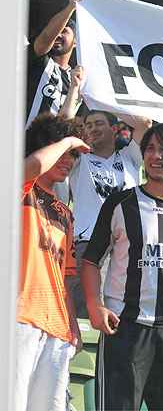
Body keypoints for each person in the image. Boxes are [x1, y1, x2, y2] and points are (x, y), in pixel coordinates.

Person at [80, 123, 163, 410]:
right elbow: (91, 260)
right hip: (126, 332)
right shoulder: (120, 205)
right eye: (150, 149)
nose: (156, 156)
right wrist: (95, 305)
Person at [17, 113, 89, 411]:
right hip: (19, 317)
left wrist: (72, 324)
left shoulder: (65, 212)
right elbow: (32, 166)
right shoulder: (20, 188)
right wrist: (69, 140)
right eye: (61, 150)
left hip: (57, 327)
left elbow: (65, 277)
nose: (68, 158)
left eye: (73, 155)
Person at [65, 109, 151, 317]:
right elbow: (63, 132)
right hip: (87, 244)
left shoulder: (130, 156)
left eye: (99, 123)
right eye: (89, 125)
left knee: (121, 310)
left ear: (114, 129)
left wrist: (110, 104)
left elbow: (144, 123)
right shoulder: (78, 159)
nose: (93, 128)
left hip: (127, 244)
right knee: (84, 313)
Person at [27, 0, 84, 127]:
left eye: (64, 31)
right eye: (56, 30)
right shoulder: (38, 59)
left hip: (52, 148)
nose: (58, 35)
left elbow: (67, 121)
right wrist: (71, 6)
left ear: (76, 41)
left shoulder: (78, 80)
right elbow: (46, 37)